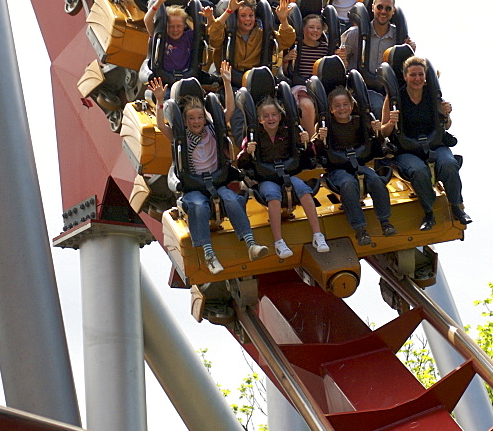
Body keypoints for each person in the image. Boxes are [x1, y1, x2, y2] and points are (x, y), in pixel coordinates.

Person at [150, 63, 268, 275]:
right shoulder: (181, 137)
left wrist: (226, 82)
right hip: (193, 185)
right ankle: (209, 254)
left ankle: (251, 244)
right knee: (199, 206)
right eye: (192, 119)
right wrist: (160, 101)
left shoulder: (212, 130)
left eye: (200, 117)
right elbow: (161, 126)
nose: (197, 122)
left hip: (216, 179)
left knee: (232, 199)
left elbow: (230, 109)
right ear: (185, 121)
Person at [380, 56, 472, 231]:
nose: (417, 79)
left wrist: (447, 114)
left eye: (420, 75)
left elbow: (446, 125)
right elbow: (383, 132)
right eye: (413, 75)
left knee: (449, 164)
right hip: (407, 149)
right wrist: (391, 122)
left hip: (435, 144)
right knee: (418, 171)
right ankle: (429, 213)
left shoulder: (433, 95)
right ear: (405, 76)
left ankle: (456, 206)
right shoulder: (394, 98)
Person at [237, 97, 329, 258]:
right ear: (259, 120)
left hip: (287, 174)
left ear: (280, 116)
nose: (270, 118)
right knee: (274, 198)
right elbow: (240, 162)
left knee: (305, 191)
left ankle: (318, 235)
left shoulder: (287, 132)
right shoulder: (253, 137)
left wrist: (307, 143)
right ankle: (279, 241)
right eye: (266, 116)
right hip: (267, 178)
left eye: (274, 115)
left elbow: (308, 154)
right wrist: (247, 152)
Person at [204, 0, 296, 143]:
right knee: (238, 110)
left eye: (251, 15)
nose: (248, 19)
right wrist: (228, 11)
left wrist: (283, 20)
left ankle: (276, 143)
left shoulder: (261, 34)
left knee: (274, 105)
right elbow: (213, 36)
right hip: (232, 83)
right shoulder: (227, 34)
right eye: (243, 16)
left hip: (256, 82)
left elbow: (286, 40)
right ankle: (243, 146)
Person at [315, 86, 395, 246]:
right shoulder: (326, 126)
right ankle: (360, 230)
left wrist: (377, 132)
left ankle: (385, 221)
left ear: (351, 106)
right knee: (348, 185)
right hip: (338, 169)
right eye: (337, 106)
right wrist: (317, 138)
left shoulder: (360, 121)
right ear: (331, 109)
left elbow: (375, 144)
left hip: (360, 164)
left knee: (376, 180)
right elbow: (316, 149)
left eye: (345, 105)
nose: (342, 109)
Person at [341, 0, 414, 114]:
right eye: (380, 7)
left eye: (388, 8)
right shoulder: (354, 34)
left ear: (393, 11)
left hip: (388, 90)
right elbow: (342, 64)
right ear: (373, 7)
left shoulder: (399, 38)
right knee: (379, 108)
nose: (383, 12)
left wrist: (410, 52)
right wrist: (342, 57)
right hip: (362, 88)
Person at [284, 13, 333, 138]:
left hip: (320, 88)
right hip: (302, 88)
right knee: (307, 105)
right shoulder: (297, 47)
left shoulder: (325, 49)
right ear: (303, 29)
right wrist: (286, 59)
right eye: (311, 27)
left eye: (318, 28)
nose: (315, 31)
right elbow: (285, 71)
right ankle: (313, 138)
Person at [144, 0, 194, 75]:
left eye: (178, 26)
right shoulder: (161, 36)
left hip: (184, 78)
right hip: (163, 78)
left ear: (184, 26)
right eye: (171, 26)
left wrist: (210, 17)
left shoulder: (188, 37)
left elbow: (208, 31)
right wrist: (159, 2)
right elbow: (147, 20)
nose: (175, 30)